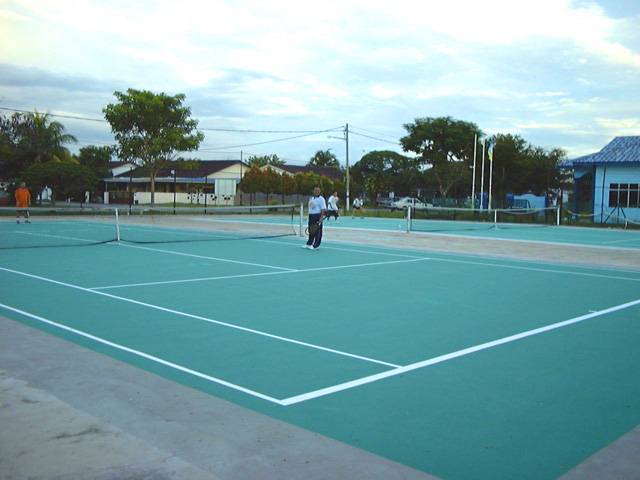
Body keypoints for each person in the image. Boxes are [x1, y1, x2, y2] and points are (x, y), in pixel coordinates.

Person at [303, 186, 326, 250]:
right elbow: (310, 208)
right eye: (315, 190)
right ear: (313, 191)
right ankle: (309, 243)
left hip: (317, 216)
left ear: (320, 191)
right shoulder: (311, 198)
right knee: (311, 231)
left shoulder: (321, 199)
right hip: (311, 216)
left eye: (318, 190)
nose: (316, 192)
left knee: (317, 231)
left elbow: (323, 209)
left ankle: (316, 245)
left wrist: (321, 218)